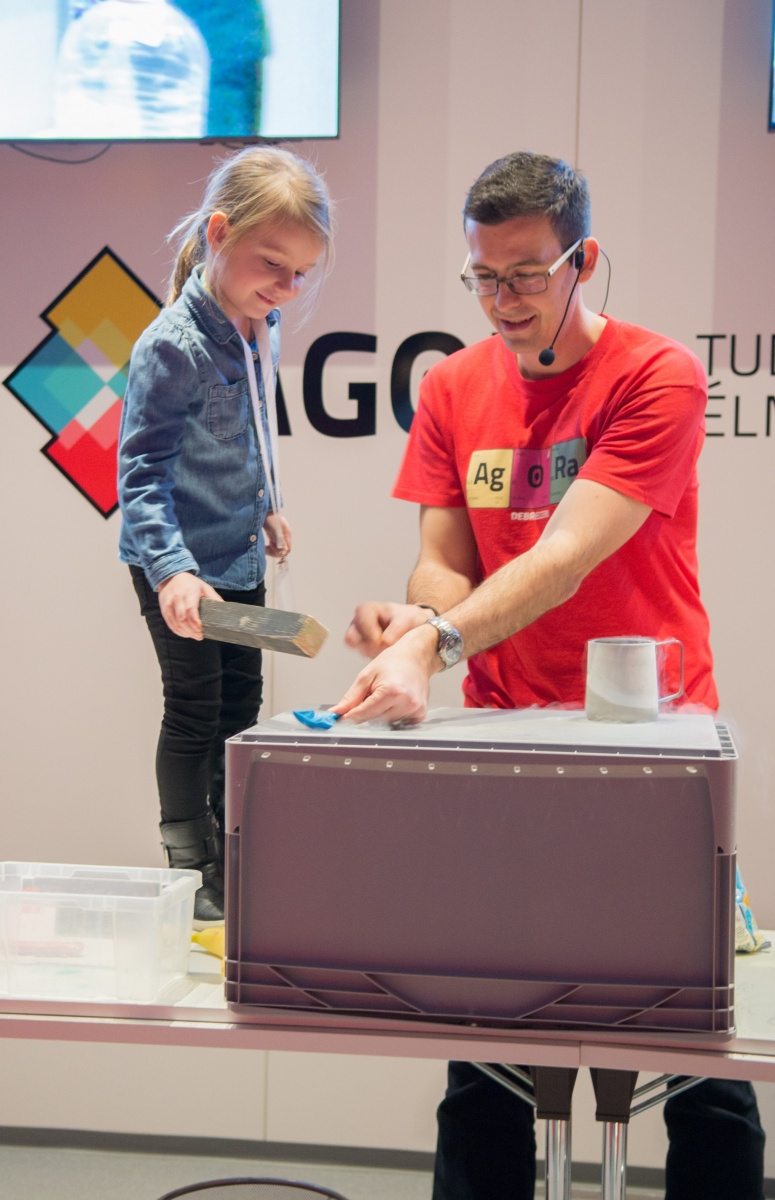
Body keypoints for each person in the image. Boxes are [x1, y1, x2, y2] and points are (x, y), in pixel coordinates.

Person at [332, 152, 764, 1200]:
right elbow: (445, 560)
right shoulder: (451, 385)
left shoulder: (657, 375)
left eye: (527, 274)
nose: (503, 300)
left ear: (584, 260)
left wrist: (431, 644)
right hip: (503, 743)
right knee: (483, 1051)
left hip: (649, 746)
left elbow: (567, 556)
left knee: (699, 1057)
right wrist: (421, 619)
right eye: (483, 276)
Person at [118, 146, 334, 927]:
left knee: (242, 705)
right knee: (194, 707)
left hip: (237, 554)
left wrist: (266, 503)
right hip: (179, 567)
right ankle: (192, 866)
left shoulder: (257, 326)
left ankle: (235, 849)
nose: (286, 287)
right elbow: (140, 477)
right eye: (272, 264)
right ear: (218, 233)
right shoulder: (171, 344)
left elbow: (248, 431)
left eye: (300, 273)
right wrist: (172, 572)